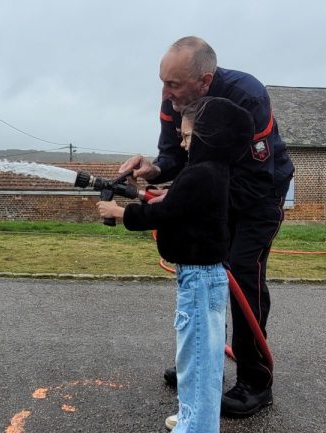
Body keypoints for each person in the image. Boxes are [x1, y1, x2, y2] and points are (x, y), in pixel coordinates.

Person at [119, 36, 294, 418]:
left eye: (174, 84)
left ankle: (255, 381)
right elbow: (175, 155)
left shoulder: (247, 96)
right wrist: (156, 170)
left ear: (206, 80)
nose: (165, 94)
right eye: (163, 82)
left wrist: (186, 200)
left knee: (242, 274)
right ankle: (201, 368)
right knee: (201, 275)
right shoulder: (173, 102)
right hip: (210, 191)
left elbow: (255, 179)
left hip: (258, 196)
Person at [98, 96, 254, 432]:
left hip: (198, 281)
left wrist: (120, 213)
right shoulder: (209, 172)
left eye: (186, 137)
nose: (182, 145)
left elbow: (166, 212)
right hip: (200, 278)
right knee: (197, 359)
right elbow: (174, 201)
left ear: (209, 136)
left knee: (197, 360)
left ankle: (195, 427)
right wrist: (137, 194)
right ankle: (192, 417)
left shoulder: (201, 174)